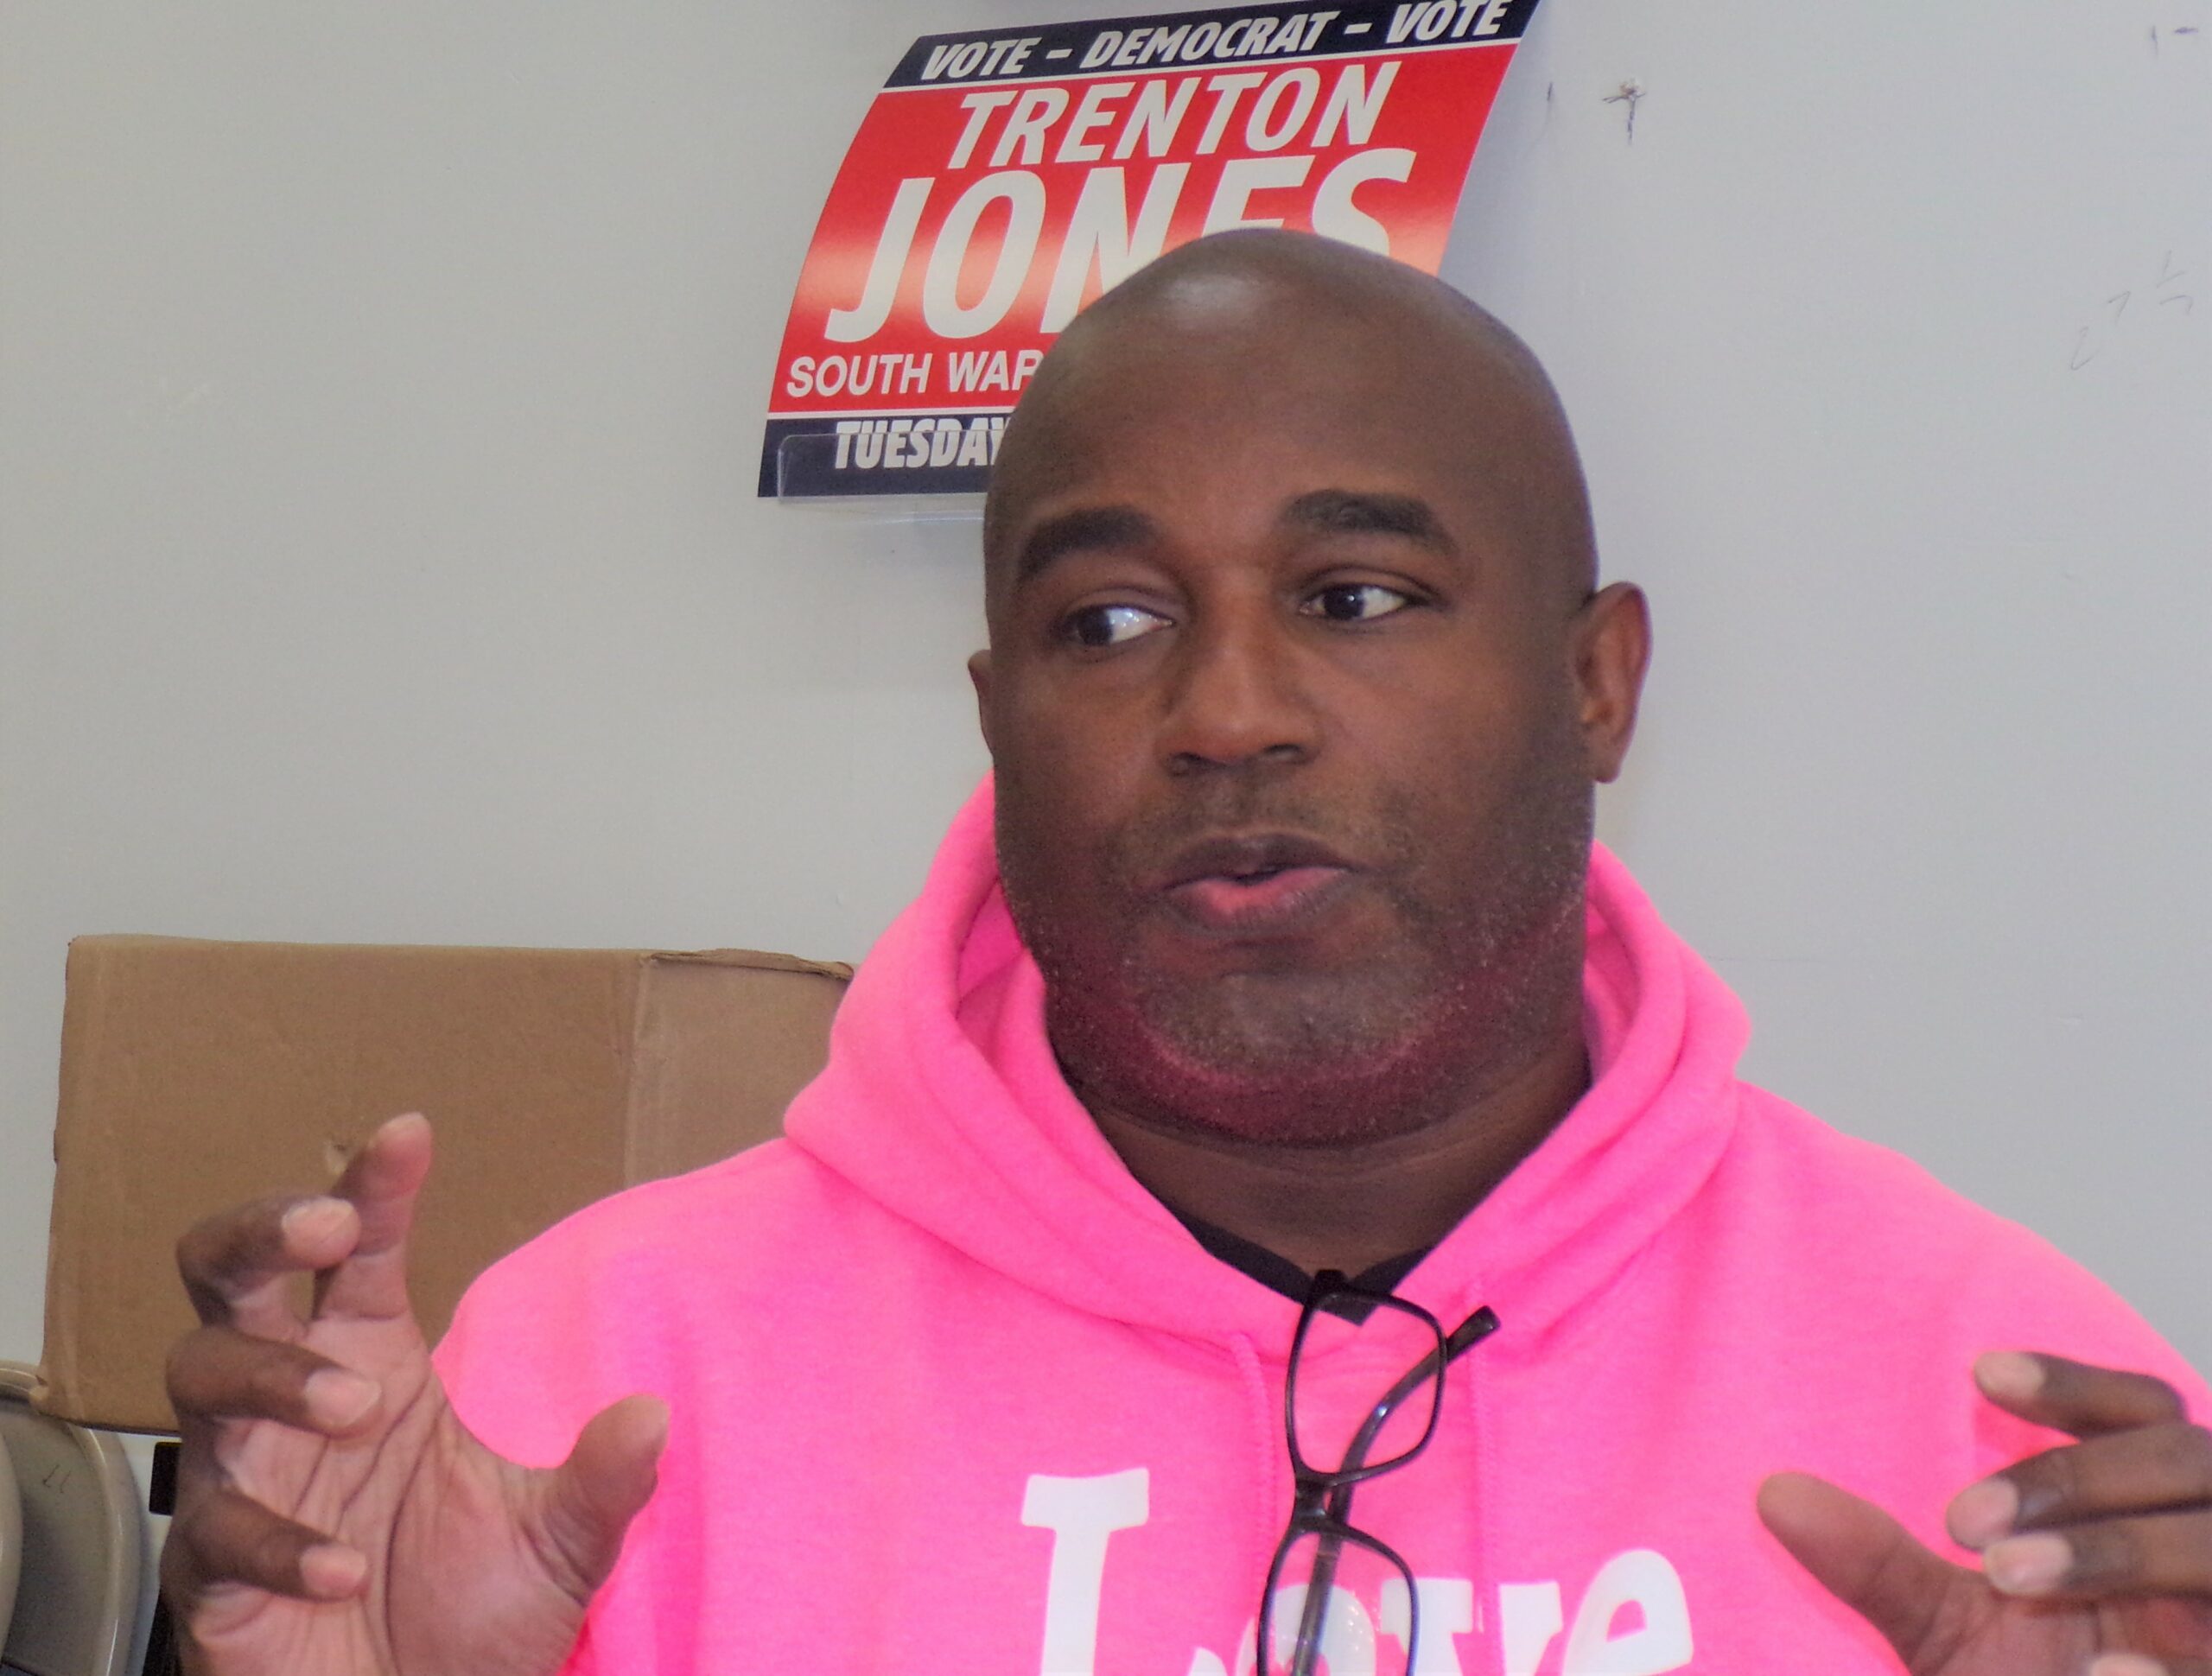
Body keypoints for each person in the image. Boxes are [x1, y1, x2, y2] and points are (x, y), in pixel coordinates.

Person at [160, 231, 2210, 1676]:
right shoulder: (592, 1388)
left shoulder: (1998, 1418)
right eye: (1109, 625)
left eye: (1354, 593)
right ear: (996, 718)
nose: (1226, 713)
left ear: (1594, 683)